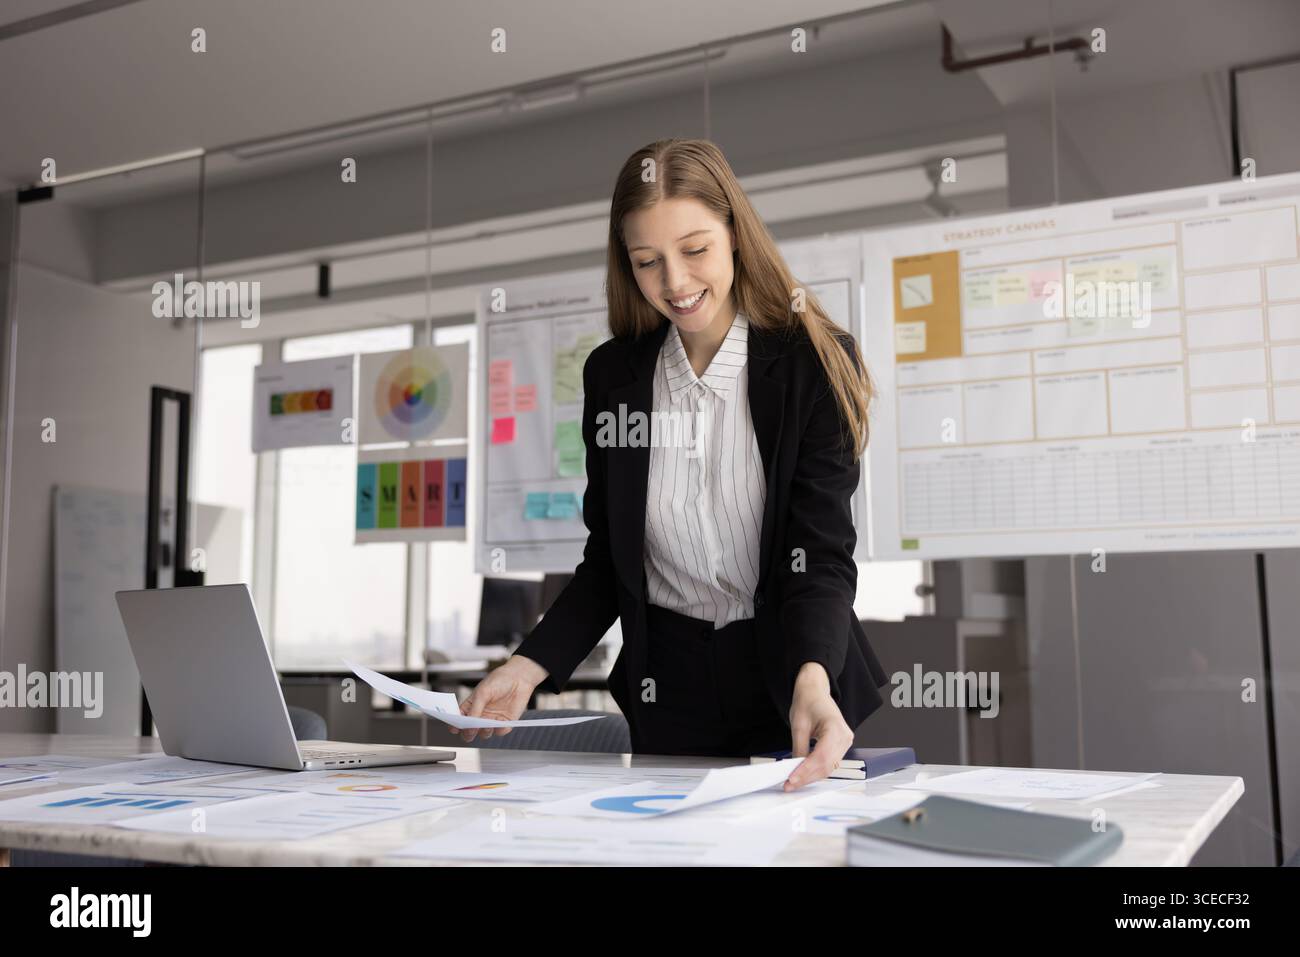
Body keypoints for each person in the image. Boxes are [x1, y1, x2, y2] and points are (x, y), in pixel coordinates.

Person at [459, 138, 887, 790]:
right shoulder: (615, 377)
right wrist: (528, 666)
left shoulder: (811, 364)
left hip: (794, 677)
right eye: (648, 262)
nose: (677, 283)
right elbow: (611, 562)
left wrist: (813, 675)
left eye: (695, 250)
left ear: (736, 234)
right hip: (671, 686)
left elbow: (819, 552)